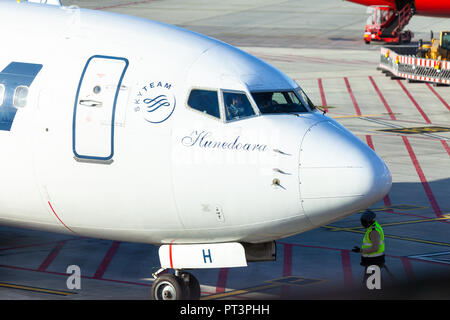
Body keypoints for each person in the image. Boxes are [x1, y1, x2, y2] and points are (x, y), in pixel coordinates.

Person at [352, 210, 386, 286]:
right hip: (373, 261)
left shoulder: (374, 232)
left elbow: (375, 248)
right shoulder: (373, 227)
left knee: (370, 285)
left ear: (369, 222)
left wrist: (361, 250)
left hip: (374, 262)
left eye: (364, 222)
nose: (362, 224)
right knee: (375, 284)